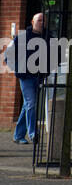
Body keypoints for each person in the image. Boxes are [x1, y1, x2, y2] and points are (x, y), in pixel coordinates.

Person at [9, 12, 49, 144]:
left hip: (39, 76)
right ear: (32, 22)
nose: (42, 23)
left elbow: (55, 54)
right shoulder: (22, 37)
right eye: (39, 20)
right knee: (31, 103)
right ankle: (33, 134)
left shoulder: (47, 37)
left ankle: (18, 135)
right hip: (25, 77)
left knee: (27, 105)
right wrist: (17, 68)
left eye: (43, 20)